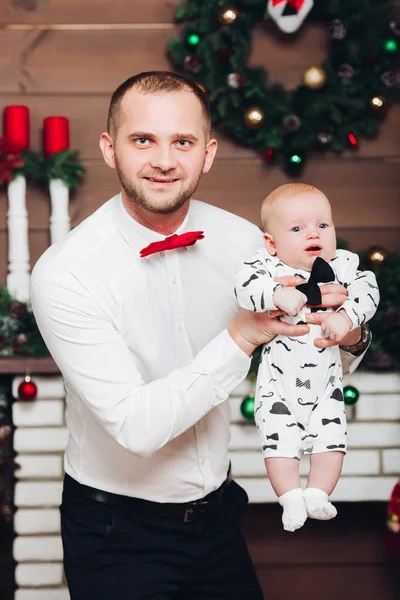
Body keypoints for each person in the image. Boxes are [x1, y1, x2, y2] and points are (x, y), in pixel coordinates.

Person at [30, 72, 370, 600]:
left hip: (218, 519)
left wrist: (346, 334)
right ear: (109, 148)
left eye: (182, 142)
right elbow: (137, 428)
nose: (164, 160)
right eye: (143, 140)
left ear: (207, 154)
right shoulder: (66, 273)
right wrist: (240, 336)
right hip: (115, 533)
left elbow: (316, 349)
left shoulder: (248, 241)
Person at [235, 183, 379, 533]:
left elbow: (368, 289)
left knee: (332, 438)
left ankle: (317, 493)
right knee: (279, 441)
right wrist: (276, 294)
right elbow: (244, 287)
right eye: (297, 228)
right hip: (278, 387)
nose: (313, 233)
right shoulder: (266, 267)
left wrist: (346, 318)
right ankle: (289, 498)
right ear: (272, 243)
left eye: (322, 225)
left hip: (326, 385)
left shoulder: (343, 265)